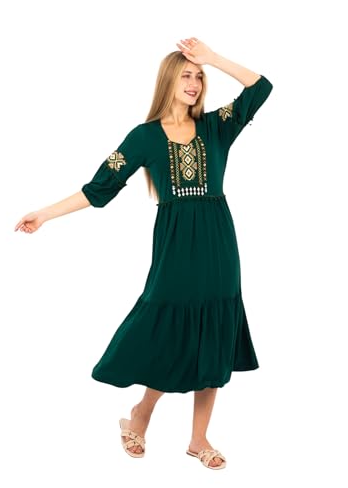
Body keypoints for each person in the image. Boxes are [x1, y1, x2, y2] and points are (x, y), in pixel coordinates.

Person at [14, 37, 273, 470]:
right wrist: (44, 214)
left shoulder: (216, 127)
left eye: (199, 77)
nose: (194, 83)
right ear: (168, 80)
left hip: (219, 243)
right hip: (175, 246)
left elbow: (260, 87)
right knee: (169, 330)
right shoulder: (145, 137)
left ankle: (199, 439)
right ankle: (141, 413)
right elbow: (98, 189)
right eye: (186, 75)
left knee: (214, 329)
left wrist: (212, 57)